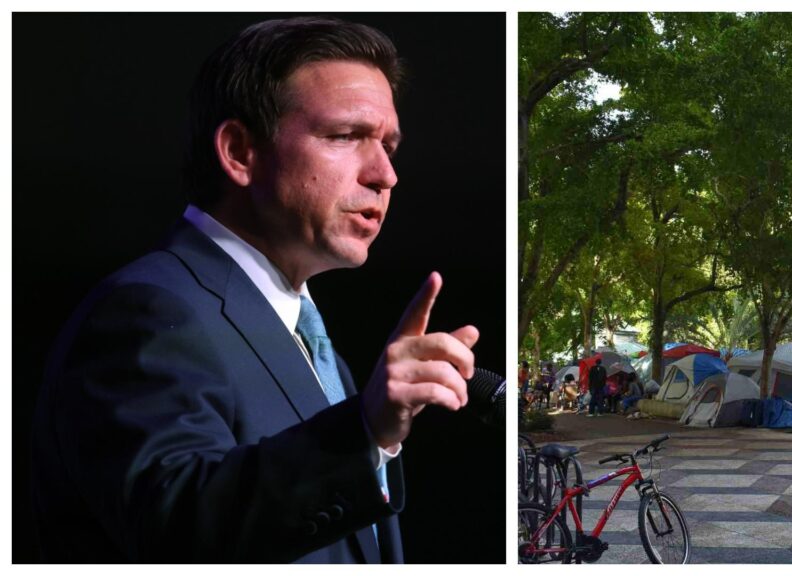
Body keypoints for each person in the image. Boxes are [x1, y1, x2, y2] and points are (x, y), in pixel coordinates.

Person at [30, 17, 480, 563]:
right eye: (346, 135)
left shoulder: (308, 335)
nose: (386, 174)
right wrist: (364, 431)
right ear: (240, 152)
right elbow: (175, 530)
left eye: (389, 145)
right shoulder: (145, 311)